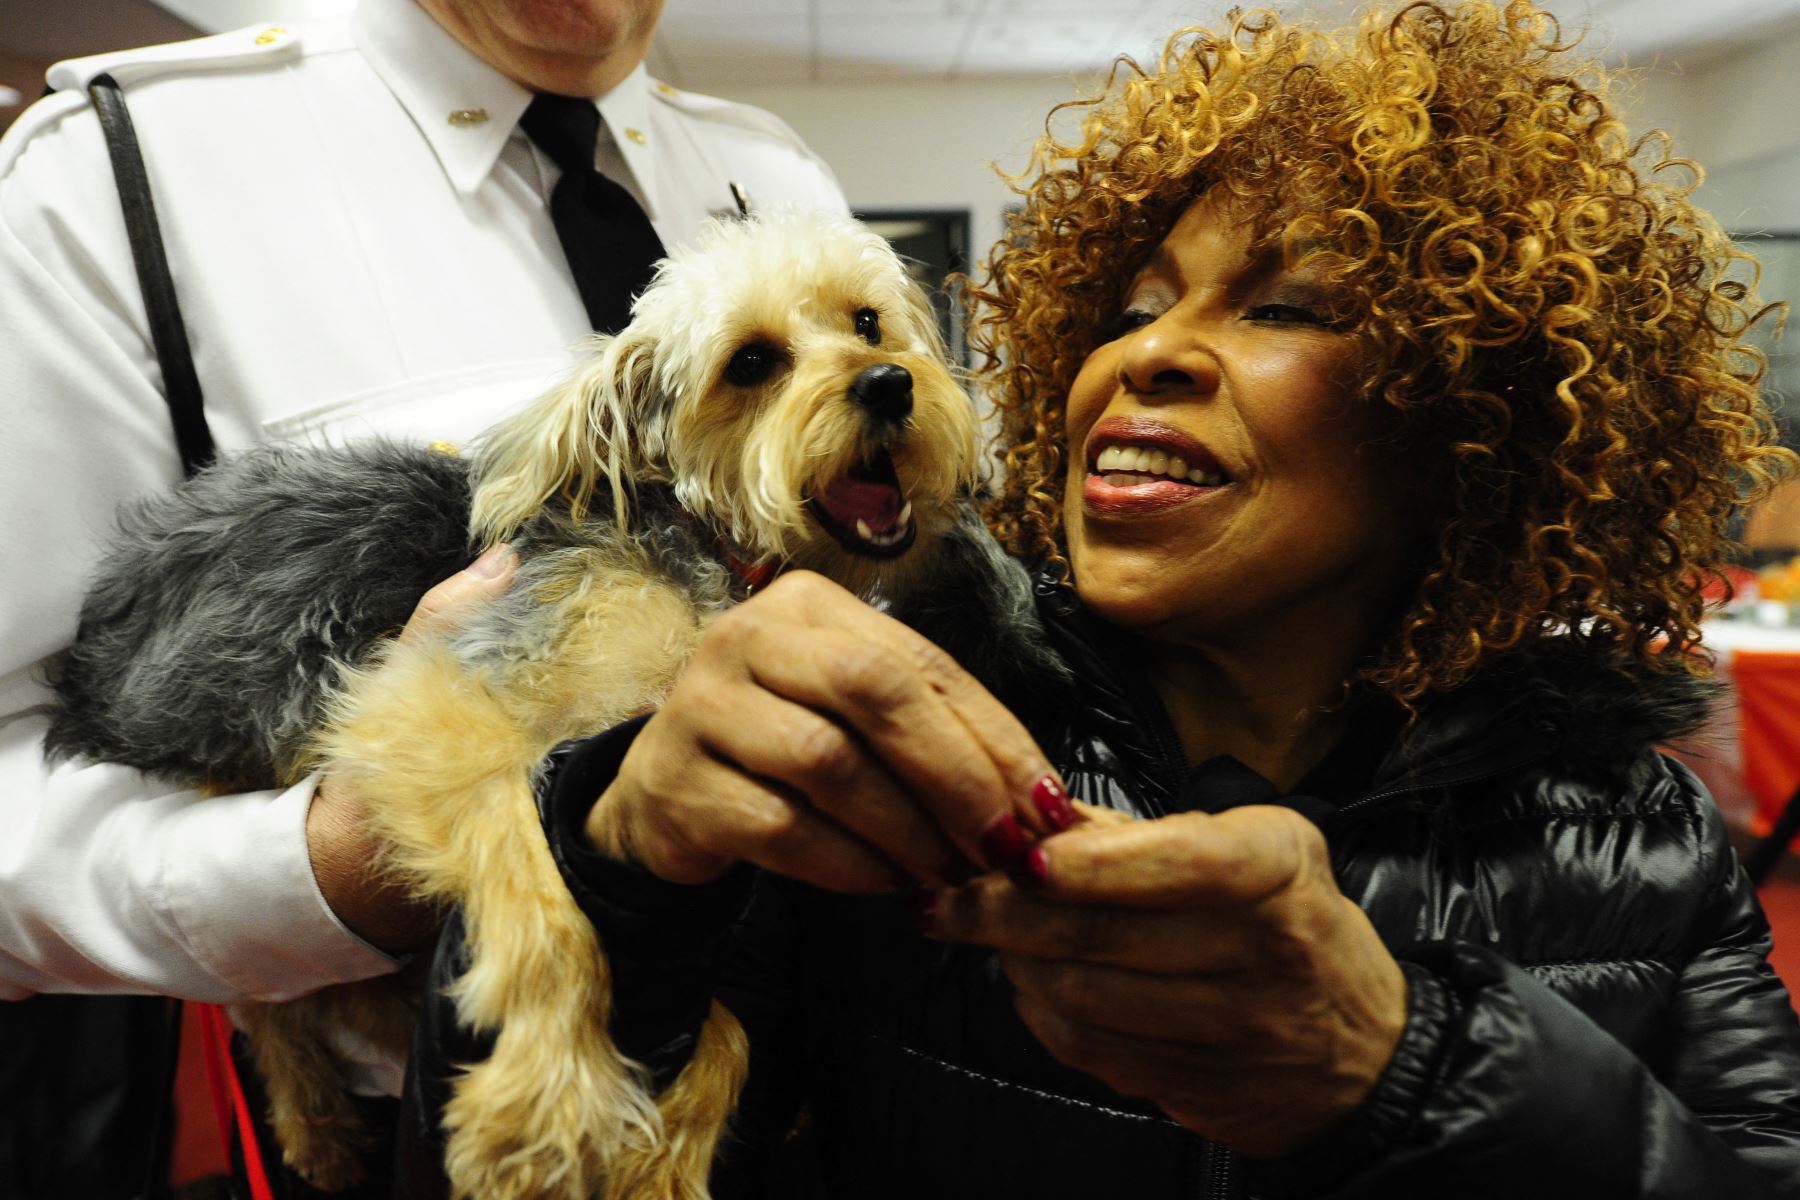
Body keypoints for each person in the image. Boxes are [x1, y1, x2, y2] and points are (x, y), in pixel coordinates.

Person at [402, 1, 1800, 1196]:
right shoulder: (874, 742)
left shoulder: (1639, 837)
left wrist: (1410, 1067)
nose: (1150, 358)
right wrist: (620, 866)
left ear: (1469, 419)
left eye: (1283, 307)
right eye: (1131, 310)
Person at [0, 0, 847, 1191]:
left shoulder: (775, 171)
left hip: (792, 1098)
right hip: (422, 1122)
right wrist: (348, 865)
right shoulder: (120, 168)